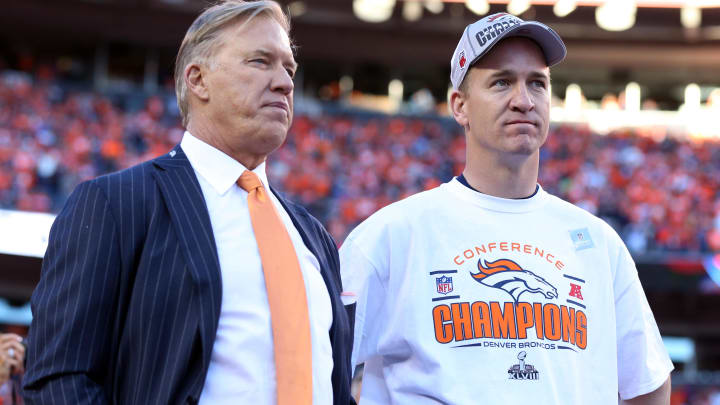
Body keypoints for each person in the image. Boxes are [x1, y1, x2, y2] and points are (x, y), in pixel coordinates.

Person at [22, 1, 354, 404]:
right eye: (260, 61)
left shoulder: (314, 237)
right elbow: (60, 377)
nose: (284, 82)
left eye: (289, 69)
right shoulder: (117, 204)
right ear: (198, 80)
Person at [339, 12, 672, 405]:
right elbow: (315, 360)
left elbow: (647, 384)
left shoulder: (598, 243)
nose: (523, 101)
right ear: (459, 106)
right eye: (501, 82)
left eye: (537, 83)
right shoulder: (393, 234)